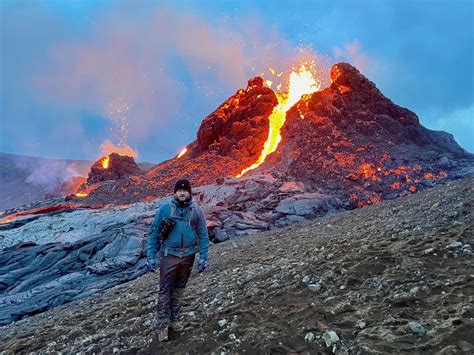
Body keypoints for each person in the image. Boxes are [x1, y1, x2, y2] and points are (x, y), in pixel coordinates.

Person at [146, 179, 209, 341]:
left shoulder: (196, 210)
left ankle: (175, 319)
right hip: (169, 255)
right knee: (165, 290)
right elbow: (153, 232)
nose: (182, 193)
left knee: (179, 289)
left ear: (189, 192)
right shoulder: (165, 209)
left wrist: (203, 256)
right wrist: (151, 256)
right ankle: (162, 325)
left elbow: (203, 234)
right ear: (175, 192)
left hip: (188, 256)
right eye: (179, 190)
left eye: (185, 190)